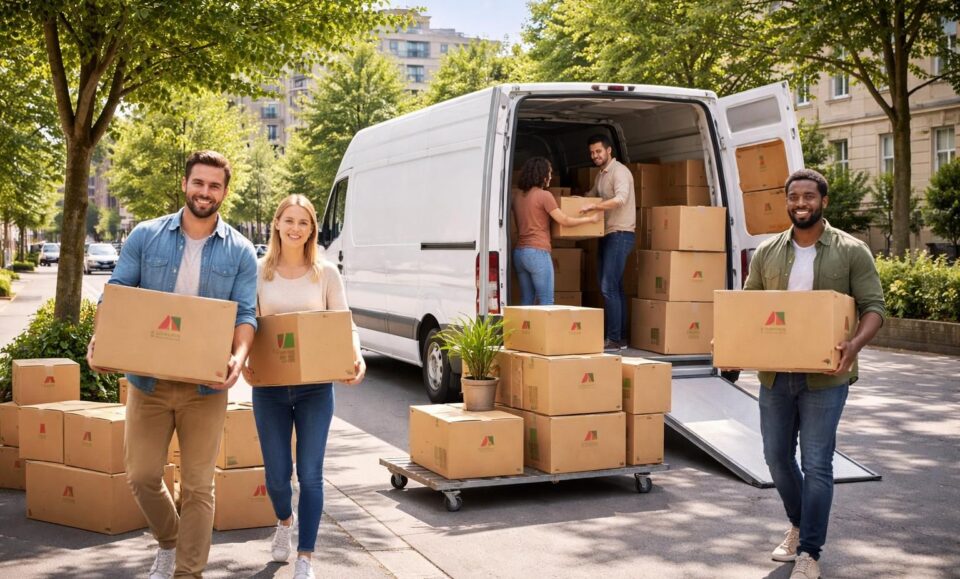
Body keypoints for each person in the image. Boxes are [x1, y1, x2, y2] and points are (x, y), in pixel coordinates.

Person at [87, 150, 258, 579]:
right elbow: (118, 292)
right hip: (149, 381)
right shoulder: (146, 236)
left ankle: (188, 572)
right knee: (142, 475)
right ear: (185, 184)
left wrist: (238, 359)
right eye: (199, 183)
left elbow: (245, 316)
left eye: (214, 185)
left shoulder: (239, 251)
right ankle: (169, 540)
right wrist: (101, 340)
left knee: (199, 486)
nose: (205, 192)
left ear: (224, 191)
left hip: (207, 386)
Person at [743, 168, 885, 579]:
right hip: (776, 375)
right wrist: (732, 347)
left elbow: (874, 307)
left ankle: (809, 551)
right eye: (793, 197)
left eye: (808, 197)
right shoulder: (768, 251)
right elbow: (749, 310)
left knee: (818, 463)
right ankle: (799, 523)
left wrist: (853, 346)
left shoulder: (852, 250)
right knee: (776, 458)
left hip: (827, 376)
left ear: (823, 201)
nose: (800, 204)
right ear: (786, 201)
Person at [241, 194, 366, 579]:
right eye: (289, 220)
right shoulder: (258, 273)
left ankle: (306, 557)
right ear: (276, 223)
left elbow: (344, 324)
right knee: (278, 475)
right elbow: (248, 323)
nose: (296, 228)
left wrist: (355, 357)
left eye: (304, 222)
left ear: (312, 229)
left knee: (310, 473)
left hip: (315, 388)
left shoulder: (325, 273)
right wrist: (243, 359)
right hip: (271, 389)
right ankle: (284, 522)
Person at [512, 157, 601, 306]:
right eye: (550, 173)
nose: (551, 177)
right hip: (537, 253)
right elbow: (564, 220)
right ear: (542, 175)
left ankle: (526, 330)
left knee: (527, 300)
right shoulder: (544, 196)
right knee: (546, 300)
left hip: (520, 254)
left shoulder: (517, 197)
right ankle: (545, 331)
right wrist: (590, 220)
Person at [579, 135, 636, 351]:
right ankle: (619, 337)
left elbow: (621, 198)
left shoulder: (619, 172)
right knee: (615, 287)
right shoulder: (601, 175)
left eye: (598, 152)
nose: (595, 156)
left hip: (620, 234)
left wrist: (594, 208)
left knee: (608, 286)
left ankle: (613, 339)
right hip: (607, 234)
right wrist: (574, 201)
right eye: (592, 153)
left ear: (609, 150)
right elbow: (591, 195)